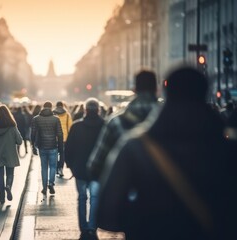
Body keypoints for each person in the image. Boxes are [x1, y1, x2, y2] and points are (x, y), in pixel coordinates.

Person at [97, 66, 237, 240]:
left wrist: (143, 222)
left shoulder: (135, 147)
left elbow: (106, 214)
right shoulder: (229, 148)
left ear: (165, 90)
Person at [88, 70, 159, 180]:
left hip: (130, 191)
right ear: (156, 90)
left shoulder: (116, 121)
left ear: (134, 90)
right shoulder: (175, 122)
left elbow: (95, 166)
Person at [65, 98, 104, 240]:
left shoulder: (76, 126)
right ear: (98, 110)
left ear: (85, 110)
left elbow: (68, 149)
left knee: (82, 198)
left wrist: (71, 166)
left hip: (80, 169)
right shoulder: (105, 126)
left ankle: (84, 227)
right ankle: (92, 228)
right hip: (98, 170)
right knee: (95, 198)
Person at [0, 105, 23, 204]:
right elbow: (19, 141)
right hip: (10, 153)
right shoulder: (12, 126)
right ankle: (8, 186)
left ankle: (1, 197)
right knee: (10, 173)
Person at [31, 101, 63, 195]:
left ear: (43, 107)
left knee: (44, 167)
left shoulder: (36, 119)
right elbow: (60, 134)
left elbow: (33, 133)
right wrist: (60, 148)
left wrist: (33, 145)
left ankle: (44, 187)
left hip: (42, 147)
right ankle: (51, 183)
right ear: (51, 107)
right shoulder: (56, 119)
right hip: (53, 146)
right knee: (53, 166)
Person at [53, 100, 72, 177]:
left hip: (54, 137)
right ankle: (60, 168)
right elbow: (70, 126)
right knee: (62, 154)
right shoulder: (67, 115)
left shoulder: (53, 113)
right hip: (64, 137)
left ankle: (55, 168)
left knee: (54, 153)